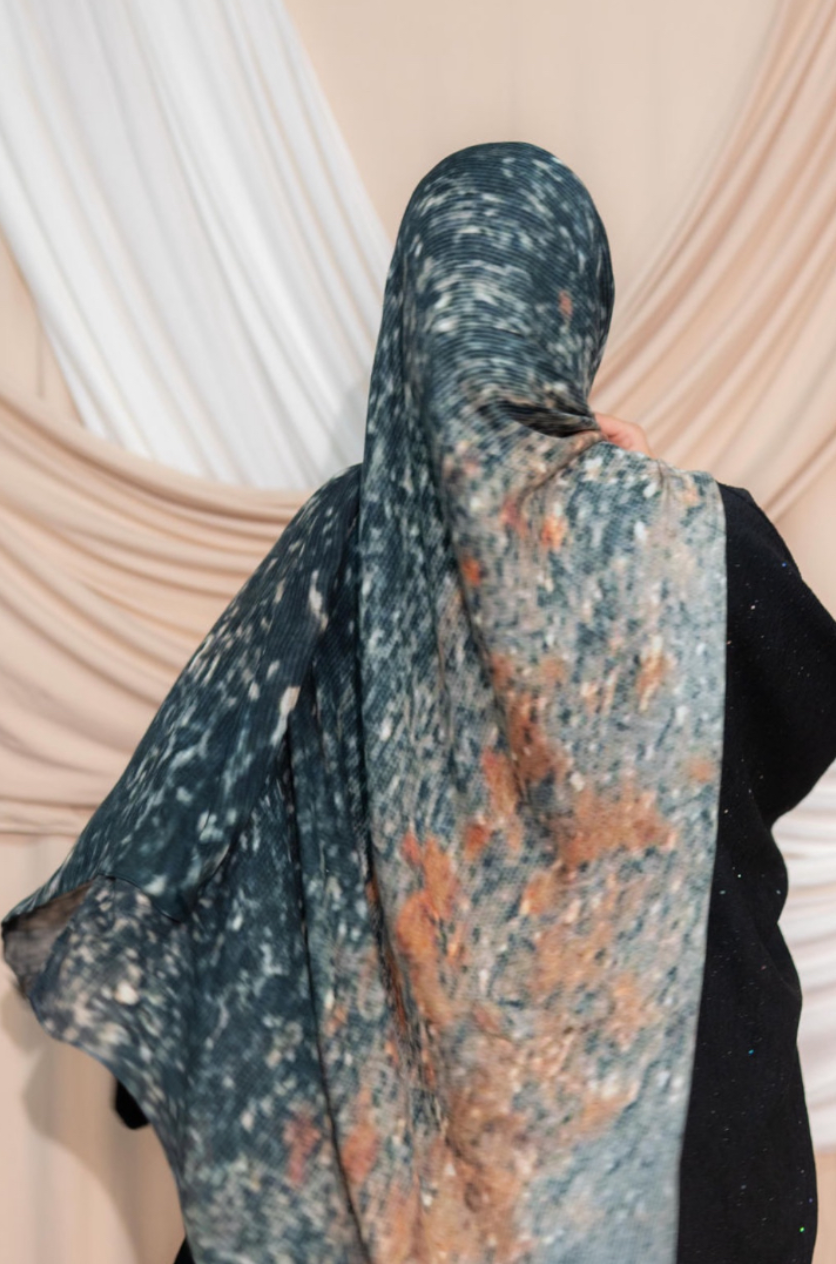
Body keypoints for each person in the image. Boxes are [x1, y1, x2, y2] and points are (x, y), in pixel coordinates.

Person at [4, 141, 836, 1264]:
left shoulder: (337, 545)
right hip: (683, 1153)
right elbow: (792, 731)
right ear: (570, 312)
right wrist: (638, 522)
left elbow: (189, 827)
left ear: (415, 310)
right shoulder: (694, 534)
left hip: (379, 1169)